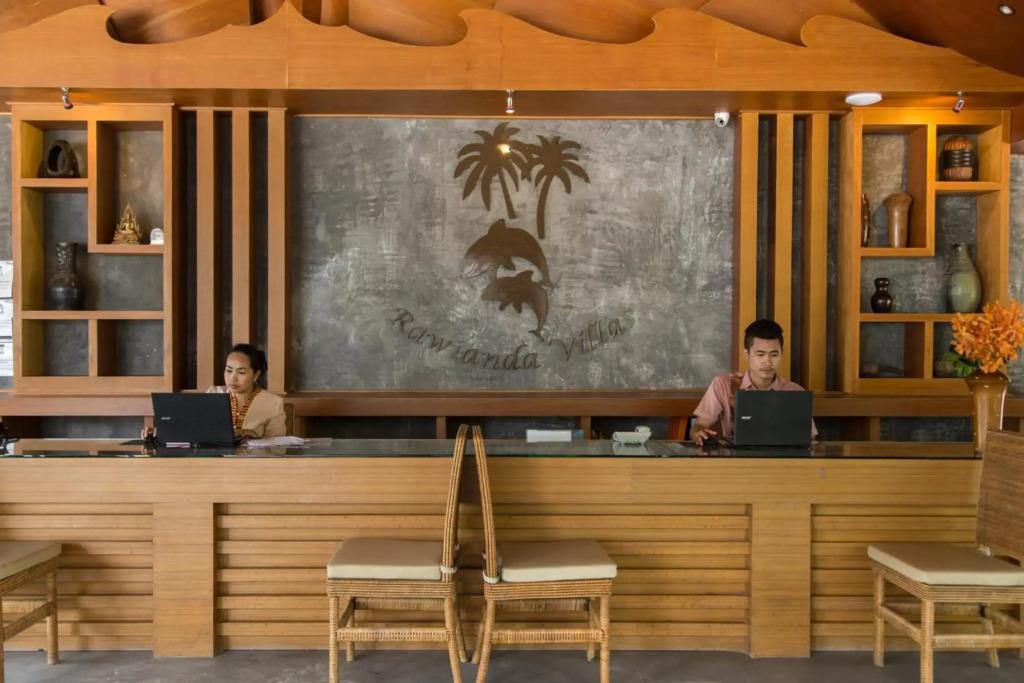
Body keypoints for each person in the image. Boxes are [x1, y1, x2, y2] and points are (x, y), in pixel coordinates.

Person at [690, 319, 816, 447]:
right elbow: (699, 425)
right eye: (760, 355)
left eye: (774, 355)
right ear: (746, 355)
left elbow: (809, 438)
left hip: (782, 456)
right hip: (735, 456)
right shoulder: (724, 384)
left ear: (781, 355)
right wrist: (698, 433)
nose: (767, 362)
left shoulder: (795, 391)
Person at [206, 343, 287, 439]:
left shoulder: (273, 403)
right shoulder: (213, 394)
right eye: (229, 370)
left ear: (256, 375)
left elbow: (277, 444)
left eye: (241, 372)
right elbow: (199, 432)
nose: (233, 378)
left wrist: (253, 436)